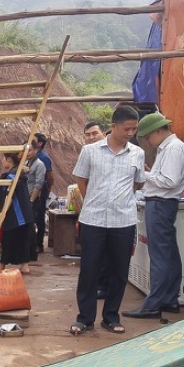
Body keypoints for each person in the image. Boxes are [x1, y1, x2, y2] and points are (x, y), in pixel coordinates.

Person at [69, 106, 145, 336]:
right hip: (93, 219)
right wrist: (93, 200)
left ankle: (111, 317)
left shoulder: (137, 153)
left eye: (134, 129)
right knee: (89, 270)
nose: (130, 133)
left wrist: (121, 199)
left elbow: (138, 183)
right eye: (127, 128)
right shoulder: (90, 151)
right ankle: (85, 318)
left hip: (123, 221)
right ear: (113, 126)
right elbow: (81, 180)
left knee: (119, 272)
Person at [123, 112, 184, 319]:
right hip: (163, 204)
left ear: (158, 131)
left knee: (159, 255)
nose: (148, 142)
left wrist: (144, 174)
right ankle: (169, 298)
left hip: (161, 204)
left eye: (147, 137)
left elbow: (169, 181)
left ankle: (153, 304)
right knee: (168, 253)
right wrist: (151, 173)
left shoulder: (173, 149)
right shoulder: (170, 148)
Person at [82, 121, 111, 299]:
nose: (91, 137)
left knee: (108, 251)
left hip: (113, 211)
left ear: (104, 133)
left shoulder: (115, 152)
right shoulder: (87, 153)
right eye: (88, 135)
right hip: (93, 210)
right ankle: (99, 285)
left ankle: (106, 286)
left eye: (95, 133)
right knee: (95, 251)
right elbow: (81, 180)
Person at [0, 152, 35, 274]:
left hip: (16, 214)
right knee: (23, 239)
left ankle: (2, 264)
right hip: (25, 213)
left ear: (9, 160)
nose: (2, 161)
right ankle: (23, 265)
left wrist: (3, 212)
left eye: (3, 159)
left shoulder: (12, 176)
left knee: (9, 238)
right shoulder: (18, 173)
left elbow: (10, 195)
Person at [30, 133, 54, 252]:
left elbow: (50, 177)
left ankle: (39, 244)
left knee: (39, 217)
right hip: (31, 190)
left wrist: (47, 191)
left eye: (33, 140)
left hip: (40, 190)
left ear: (39, 144)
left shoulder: (43, 158)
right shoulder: (29, 156)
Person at [24, 143, 46, 261]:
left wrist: (32, 200)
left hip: (32, 198)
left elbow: (39, 184)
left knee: (30, 226)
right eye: (26, 150)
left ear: (36, 150)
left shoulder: (39, 165)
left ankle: (32, 252)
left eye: (30, 150)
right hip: (24, 198)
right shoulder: (25, 163)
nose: (27, 153)